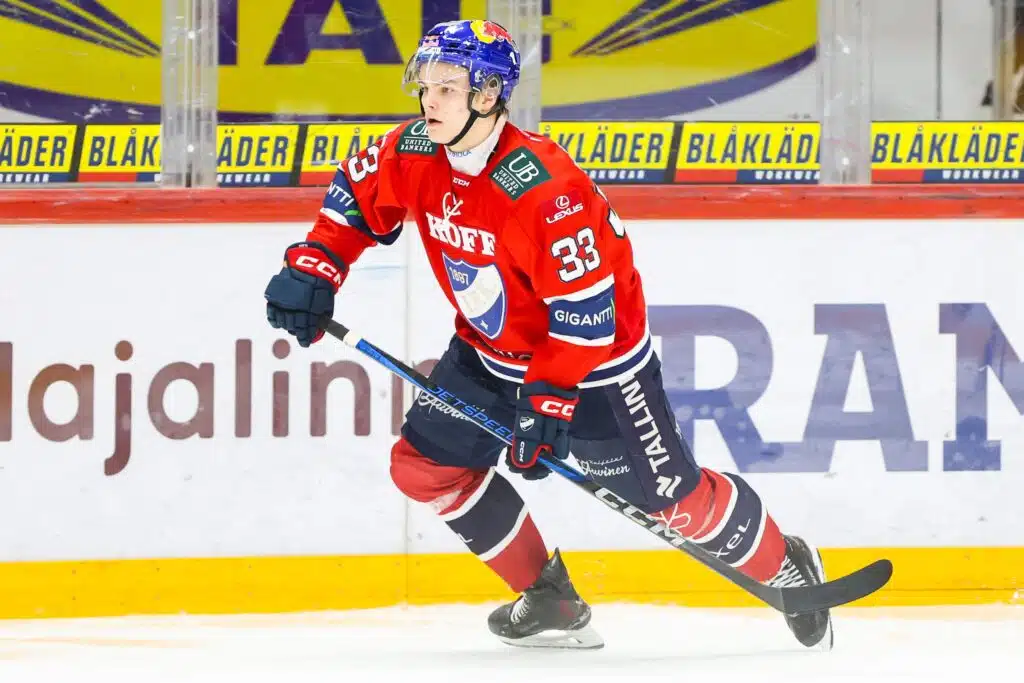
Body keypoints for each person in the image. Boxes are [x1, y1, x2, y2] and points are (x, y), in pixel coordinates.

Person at [264, 19, 832, 651]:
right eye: (426, 86)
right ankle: (551, 598)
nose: (429, 101)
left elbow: (588, 315)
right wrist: (316, 264)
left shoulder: (543, 189)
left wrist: (549, 396)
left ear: (487, 95)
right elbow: (357, 189)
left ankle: (786, 563)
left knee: (673, 505)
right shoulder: (416, 149)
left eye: (447, 88)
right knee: (426, 468)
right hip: (488, 353)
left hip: (597, 367)